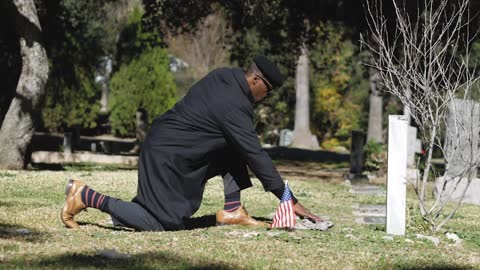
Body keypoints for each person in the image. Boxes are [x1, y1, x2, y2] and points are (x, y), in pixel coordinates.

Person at [61, 55, 323, 231]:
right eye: (267, 91)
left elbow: (230, 137)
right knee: (160, 223)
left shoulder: (226, 76)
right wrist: (288, 199)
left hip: (173, 146)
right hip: (166, 155)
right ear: (255, 81)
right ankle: (85, 196)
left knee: (237, 145)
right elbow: (256, 155)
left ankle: (233, 209)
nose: (266, 97)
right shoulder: (234, 105)